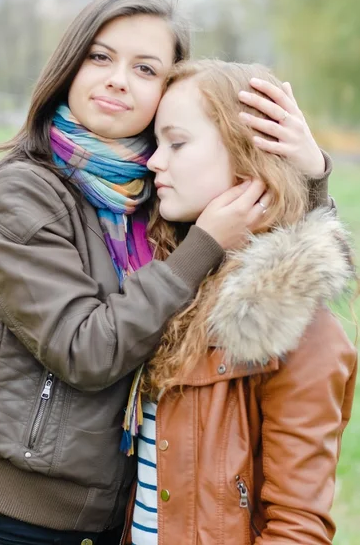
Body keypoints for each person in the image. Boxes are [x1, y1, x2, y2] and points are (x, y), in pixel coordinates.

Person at [0, 0, 334, 544]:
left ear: (166, 89)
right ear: (70, 63)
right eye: (100, 56)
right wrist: (203, 243)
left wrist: (309, 169)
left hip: (120, 517)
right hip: (16, 520)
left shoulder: (158, 197)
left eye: (145, 67)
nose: (117, 78)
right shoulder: (20, 194)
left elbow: (283, 265)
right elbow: (84, 348)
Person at [124, 60, 358, 545]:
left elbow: (297, 528)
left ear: (247, 155)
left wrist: (310, 171)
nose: (153, 162)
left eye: (178, 143)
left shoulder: (294, 326)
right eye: (155, 143)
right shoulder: (161, 275)